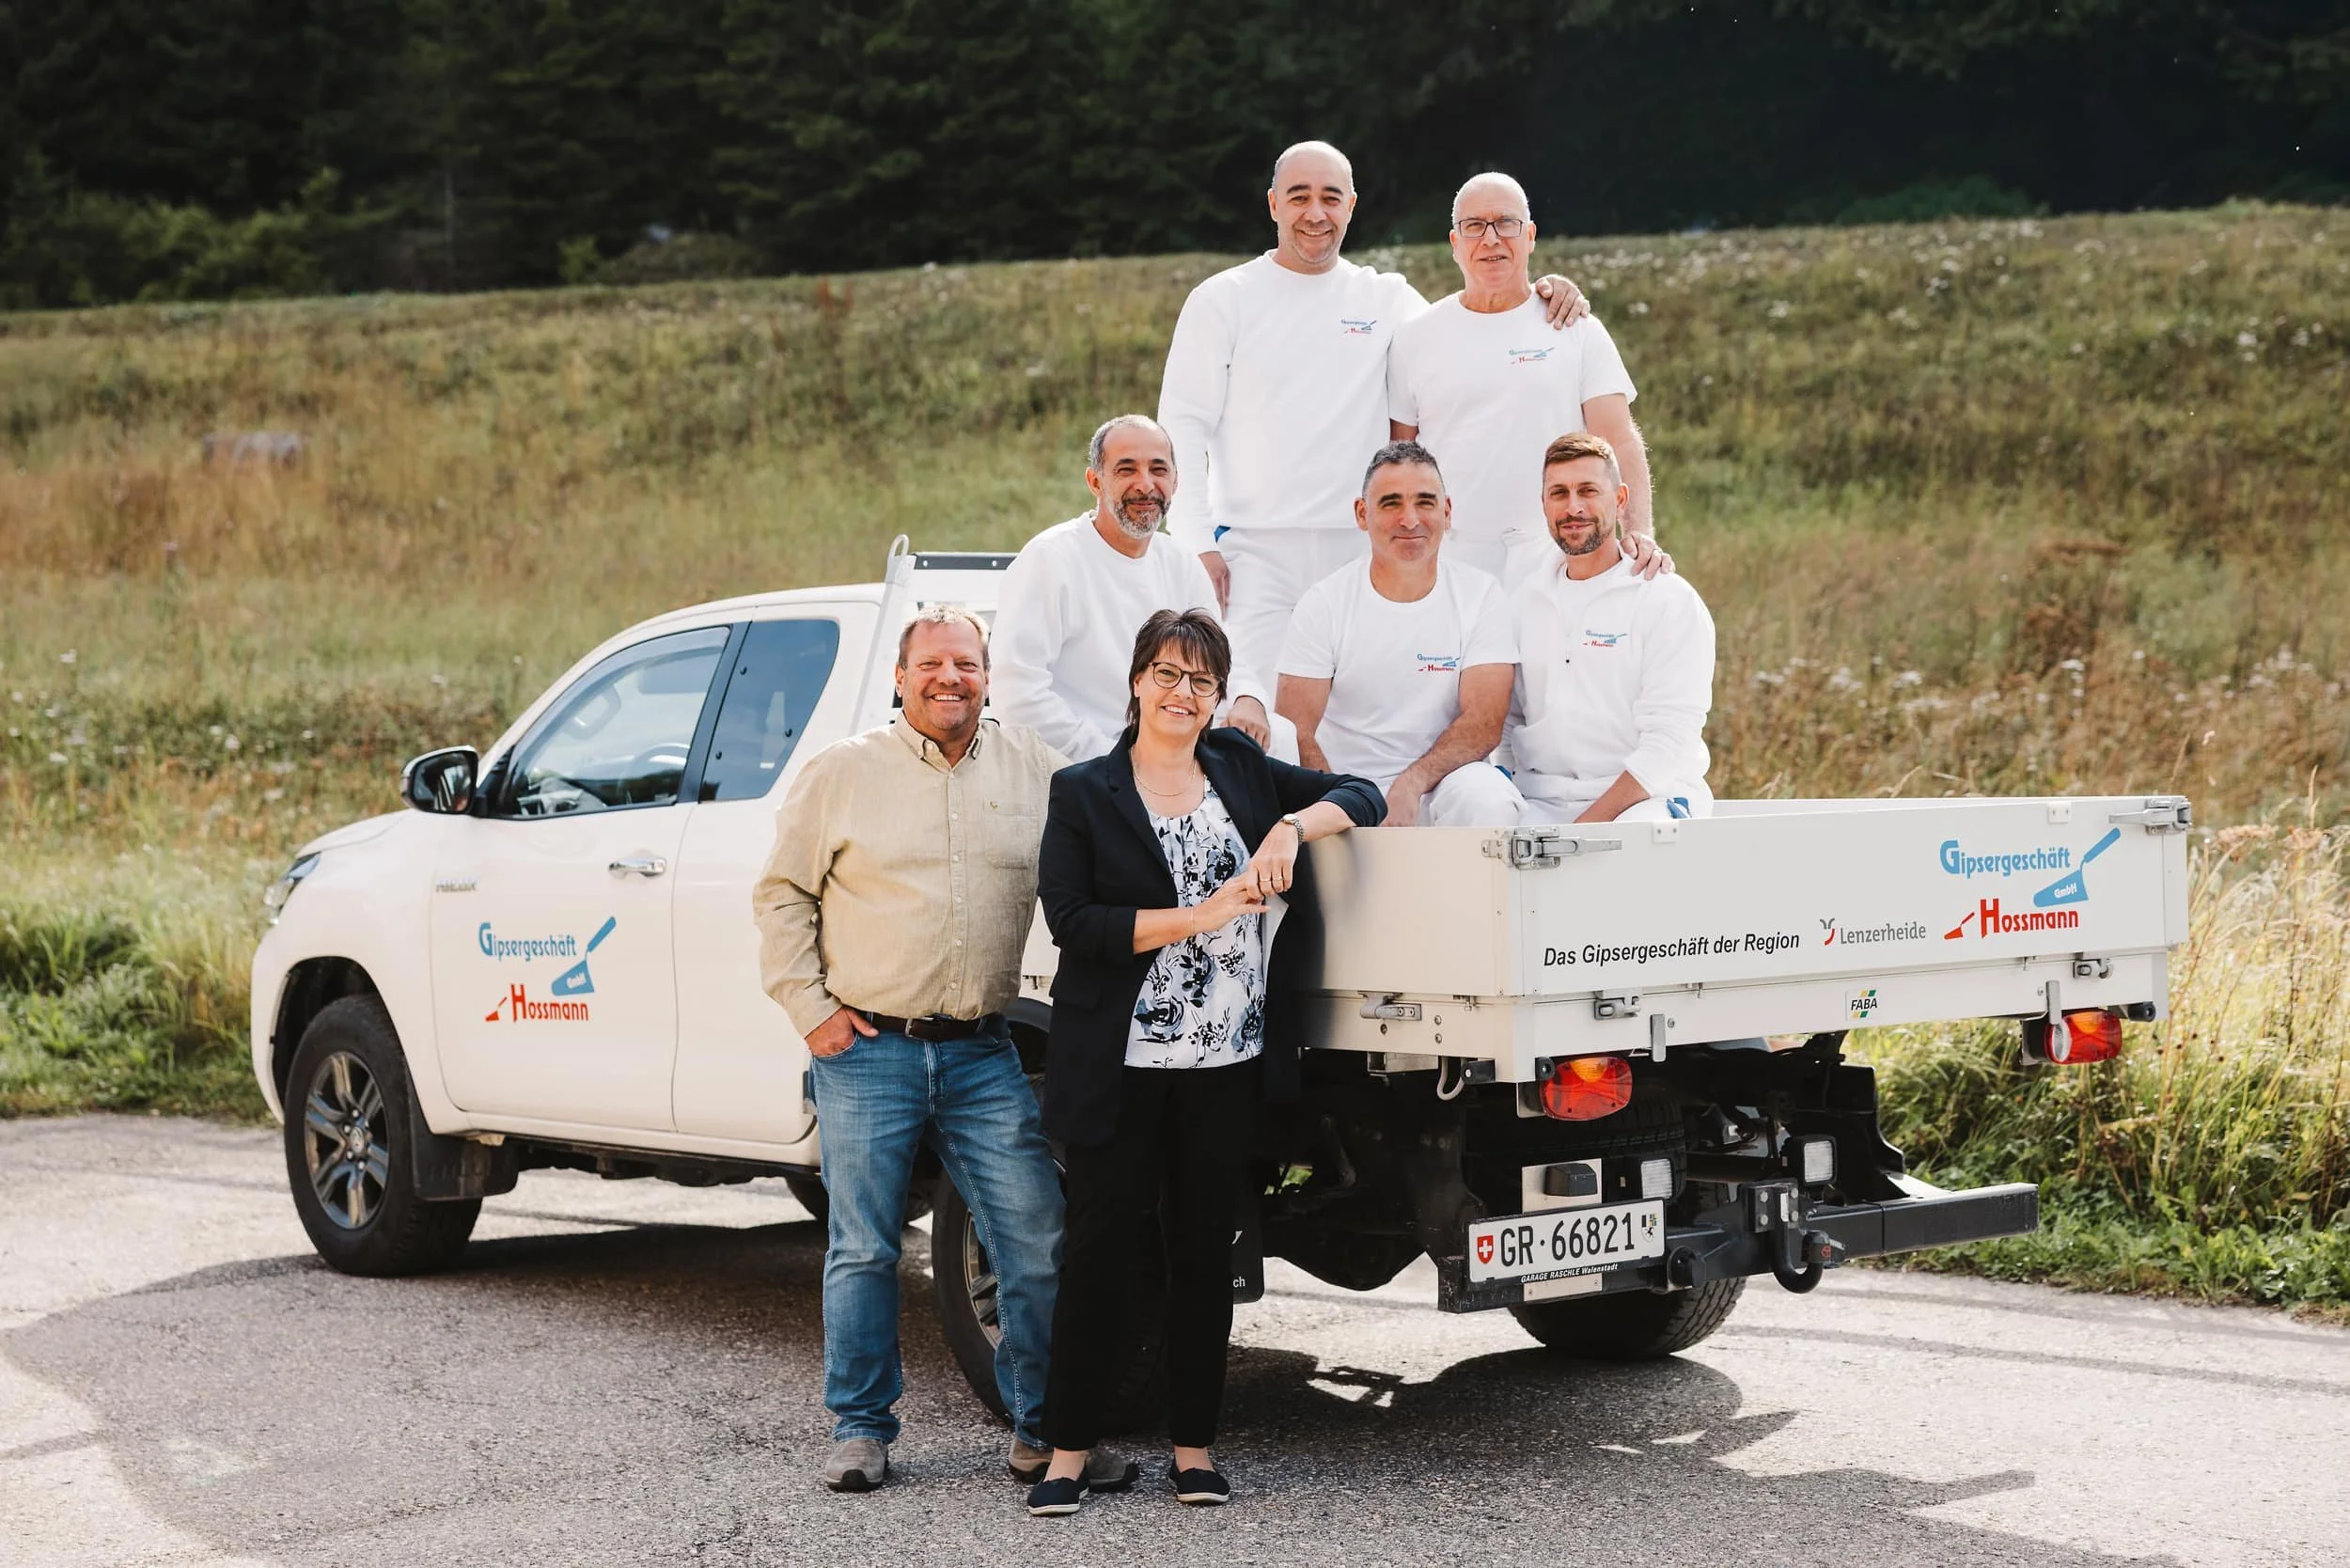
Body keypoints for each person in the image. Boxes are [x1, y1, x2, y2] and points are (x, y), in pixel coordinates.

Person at [750, 606, 1136, 1498]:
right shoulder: (842, 774)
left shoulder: (1033, 768)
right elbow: (779, 898)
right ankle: (860, 1429)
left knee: (1037, 1239)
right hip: (866, 1049)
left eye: (966, 663)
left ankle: (1045, 1431)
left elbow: (1104, 845)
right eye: (931, 664)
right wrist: (813, 1013)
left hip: (982, 1051)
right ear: (900, 677)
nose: (949, 678)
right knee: (864, 1247)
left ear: (989, 677)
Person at [1024, 609, 1382, 1516]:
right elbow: (1075, 924)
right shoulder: (1084, 791)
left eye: (1203, 682)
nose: (1184, 695)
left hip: (1226, 1065)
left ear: (1219, 696)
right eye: (1169, 675)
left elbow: (1364, 791)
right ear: (1138, 680)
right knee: (1100, 1259)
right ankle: (1067, 1452)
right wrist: (1198, 916)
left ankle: (1195, 1451)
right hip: (1123, 1066)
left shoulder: (1239, 769)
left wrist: (1290, 831)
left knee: (1201, 1258)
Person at [1158, 141, 1588, 707]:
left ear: (1351, 205)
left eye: (1331, 197)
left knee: (1361, 720)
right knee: (1248, 714)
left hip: (1361, 549)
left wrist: (1546, 293)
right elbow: (1181, 428)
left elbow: (1472, 324)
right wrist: (1195, 544)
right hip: (1253, 553)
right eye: (1300, 196)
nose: (1316, 212)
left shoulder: (1387, 298)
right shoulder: (1223, 299)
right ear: (1273, 205)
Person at [1388, 171, 1669, 583]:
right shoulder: (1415, 338)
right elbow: (1401, 457)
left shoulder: (1576, 327)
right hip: (1452, 561)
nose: (1491, 239)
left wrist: (1640, 531)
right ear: (1454, 243)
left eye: (1506, 224)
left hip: (1559, 555)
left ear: (1531, 235)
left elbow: (1619, 438)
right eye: (1474, 226)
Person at [991, 414, 1273, 760]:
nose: (1145, 485)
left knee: (1278, 738)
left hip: (1170, 754)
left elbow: (1222, 657)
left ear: (1175, 481)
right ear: (1095, 481)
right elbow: (1017, 694)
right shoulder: (1050, 560)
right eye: (1126, 470)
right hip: (1082, 763)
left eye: (1158, 470)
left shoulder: (1179, 562)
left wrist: (1247, 697)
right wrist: (1114, 762)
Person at [1276, 440, 1525, 826]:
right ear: (1362, 514)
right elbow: (1295, 730)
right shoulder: (1325, 603)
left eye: (1425, 502)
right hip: (1346, 789)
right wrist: (1344, 801)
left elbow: (1484, 722)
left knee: (1488, 798)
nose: (1410, 519)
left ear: (1447, 511)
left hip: (1442, 783)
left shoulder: (1482, 595)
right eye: (1391, 503)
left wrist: (1413, 782)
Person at [1508, 431, 1716, 824]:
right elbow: (1509, 722)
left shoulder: (1666, 600)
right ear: (1543, 505)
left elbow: (1670, 742)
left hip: (1645, 801)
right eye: (1559, 494)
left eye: (1588, 491)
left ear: (1620, 500)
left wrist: (1585, 829)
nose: (1573, 508)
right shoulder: (1523, 602)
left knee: (1634, 835)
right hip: (1543, 800)